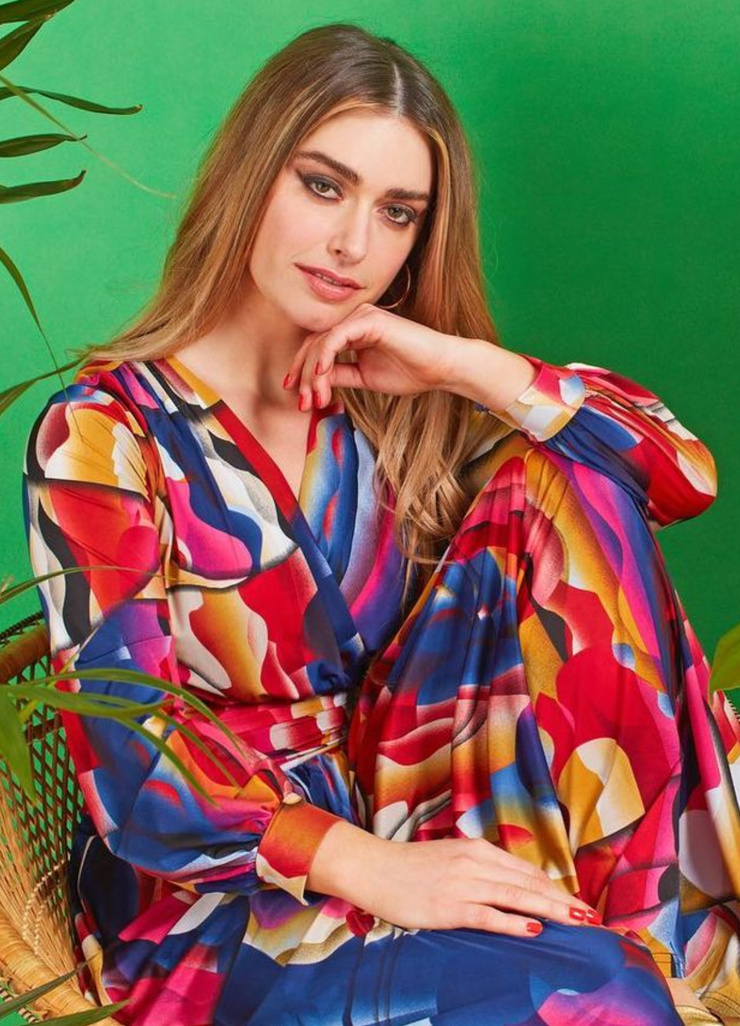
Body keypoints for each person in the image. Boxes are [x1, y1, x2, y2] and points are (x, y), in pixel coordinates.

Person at [21, 22, 740, 1026]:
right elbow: (133, 759)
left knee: (570, 481)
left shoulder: (397, 404)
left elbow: (678, 478)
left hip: (425, 809)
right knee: (601, 996)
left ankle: (651, 928)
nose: (352, 244)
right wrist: (373, 868)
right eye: (323, 186)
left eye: (396, 212)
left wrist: (463, 365)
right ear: (251, 178)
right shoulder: (104, 432)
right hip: (218, 899)